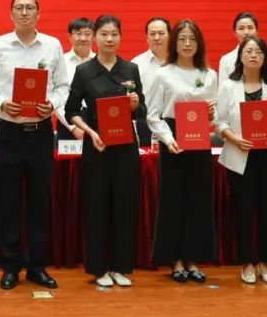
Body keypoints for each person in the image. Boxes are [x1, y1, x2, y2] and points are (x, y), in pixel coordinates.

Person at [0, 0, 69, 290]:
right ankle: (10, 267)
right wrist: (2, 103)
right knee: (9, 201)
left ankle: (37, 267)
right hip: (10, 132)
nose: (25, 12)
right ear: (11, 14)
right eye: (19, 7)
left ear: (39, 14)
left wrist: (52, 105)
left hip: (40, 133)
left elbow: (63, 86)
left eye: (30, 7)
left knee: (40, 201)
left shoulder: (52, 45)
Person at [64, 15, 144, 288]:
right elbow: (71, 110)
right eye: (104, 34)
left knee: (124, 207)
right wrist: (90, 132)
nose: (109, 39)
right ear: (95, 37)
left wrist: (135, 105)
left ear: (120, 37)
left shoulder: (130, 69)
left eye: (114, 34)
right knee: (97, 208)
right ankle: (99, 268)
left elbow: (142, 111)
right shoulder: (84, 71)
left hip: (125, 149)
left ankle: (121, 267)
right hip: (97, 147)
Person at [146, 18, 218, 283]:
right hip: (174, 140)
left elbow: (214, 116)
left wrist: (211, 114)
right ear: (174, 43)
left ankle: (193, 258)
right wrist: (168, 139)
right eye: (182, 39)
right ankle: (175, 259)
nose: (187, 44)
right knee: (173, 200)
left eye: (192, 39)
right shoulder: (164, 74)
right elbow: (153, 115)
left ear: (199, 43)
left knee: (198, 200)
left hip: (200, 140)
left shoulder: (209, 75)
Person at [215, 35, 267, 284]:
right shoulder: (228, 87)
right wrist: (234, 138)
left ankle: (265, 262)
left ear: (265, 57)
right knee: (243, 211)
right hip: (240, 156)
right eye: (248, 51)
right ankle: (246, 262)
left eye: (258, 52)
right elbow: (219, 122)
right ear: (240, 57)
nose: (254, 55)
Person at [130, 17, 170, 146]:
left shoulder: (179, 63)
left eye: (161, 33)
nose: (156, 37)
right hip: (146, 122)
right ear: (147, 38)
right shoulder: (136, 64)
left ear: (170, 36)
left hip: (174, 121)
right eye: (152, 34)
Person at [57, 17, 94, 140]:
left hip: (96, 124)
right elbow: (56, 98)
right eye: (78, 34)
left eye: (87, 34)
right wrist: (73, 128)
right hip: (67, 125)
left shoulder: (101, 62)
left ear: (93, 36)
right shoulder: (60, 62)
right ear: (70, 36)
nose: (83, 38)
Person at [217, 12, 267, 79]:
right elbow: (223, 85)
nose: (246, 32)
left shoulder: (265, 55)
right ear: (235, 33)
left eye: (250, 28)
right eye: (241, 28)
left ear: (256, 31)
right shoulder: (226, 60)